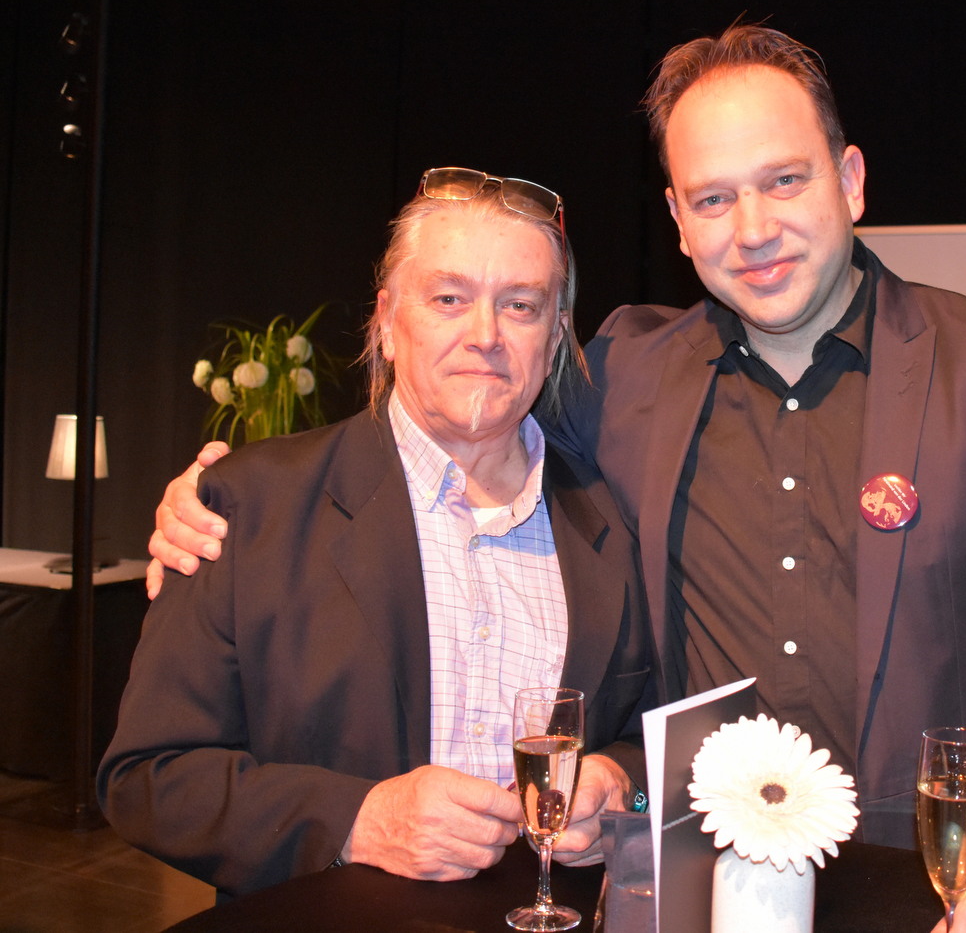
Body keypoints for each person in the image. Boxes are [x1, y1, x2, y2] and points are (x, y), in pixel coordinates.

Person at [150, 27, 966, 932]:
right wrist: (223, 490)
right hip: (700, 889)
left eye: (785, 181)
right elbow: (464, 407)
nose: (752, 229)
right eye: (713, 198)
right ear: (679, 221)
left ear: (851, 180)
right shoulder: (626, 372)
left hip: (943, 887)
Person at [100, 168, 654, 899]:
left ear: (554, 338)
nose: (485, 335)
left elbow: (665, 742)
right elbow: (148, 776)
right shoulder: (248, 507)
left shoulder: (616, 519)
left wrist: (620, 784)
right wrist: (355, 821)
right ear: (388, 322)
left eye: (520, 306)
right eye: (449, 298)